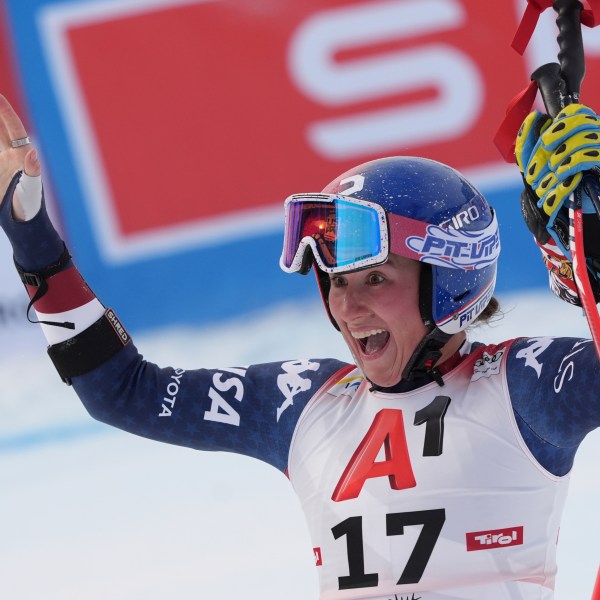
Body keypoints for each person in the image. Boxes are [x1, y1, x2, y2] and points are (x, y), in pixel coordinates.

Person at [0, 91, 599, 600]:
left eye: (374, 278)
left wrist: (592, 248)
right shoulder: (303, 402)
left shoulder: (526, 382)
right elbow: (123, 391)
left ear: (449, 281)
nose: (347, 306)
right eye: (336, 283)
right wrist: (29, 232)